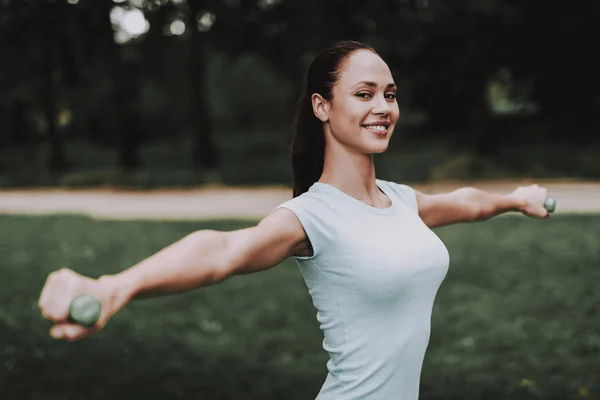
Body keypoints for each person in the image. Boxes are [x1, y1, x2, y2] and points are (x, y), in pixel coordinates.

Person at [37, 40, 551, 399]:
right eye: (365, 93)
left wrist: (514, 197)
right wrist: (115, 286)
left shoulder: (401, 201)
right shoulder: (312, 217)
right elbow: (221, 252)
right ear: (322, 107)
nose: (383, 107)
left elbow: (464, 201)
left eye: (390, 94)